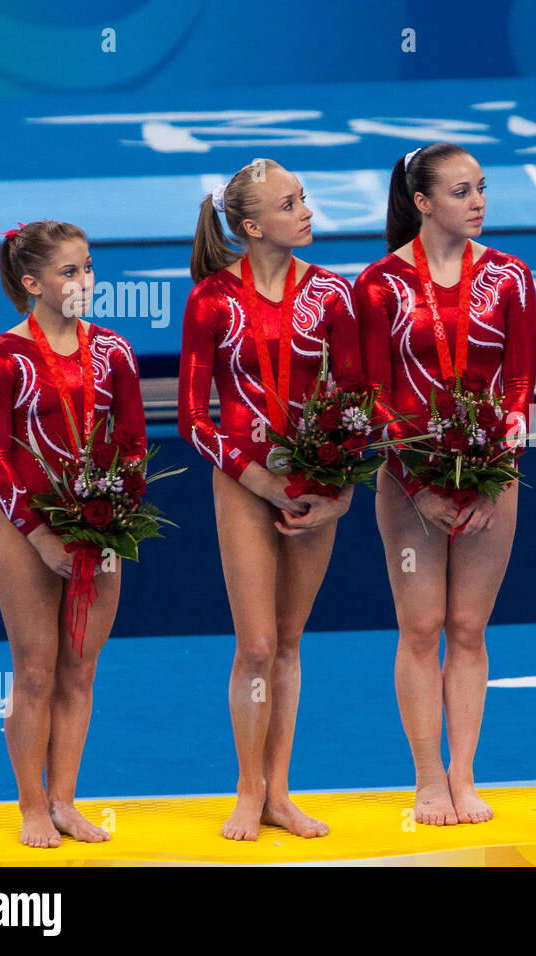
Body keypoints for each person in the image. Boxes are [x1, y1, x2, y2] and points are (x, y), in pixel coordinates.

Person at [355, 143, 536, 826]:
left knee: (468, 627)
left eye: (482, 188)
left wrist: (496, 476)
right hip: (411, 482)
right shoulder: (377, 286)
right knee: (422, 624)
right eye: (461, 192)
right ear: (423, 203)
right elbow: (372, 391)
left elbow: (521, 384)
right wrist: (418, 482)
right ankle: (428, 778)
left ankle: (464, 775)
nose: (479, 202)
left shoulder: (511, 277)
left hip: (494, 475)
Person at [179, 158, 361, 840]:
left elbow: (355, 401)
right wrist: (255, 480)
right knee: (254, 643)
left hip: (314, 477)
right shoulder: (212, 301)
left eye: (305, 198)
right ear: (252, 226)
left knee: (287, 640)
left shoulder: (334, 295)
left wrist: (340, 491)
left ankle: (281, 791)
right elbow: (193, 417)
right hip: (245, 478)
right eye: (290, 204)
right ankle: (247, 787)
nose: (307, 211)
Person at [0, 220, 146, 847]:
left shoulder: (114, 353)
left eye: (89, 267)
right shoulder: (4, 359)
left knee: (79, 671)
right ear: (32, 283)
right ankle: (31, 806)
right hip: (27, 528)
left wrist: (116, 514)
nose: (85, 281)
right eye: (69, 272)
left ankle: (66, 800)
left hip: (97, 528)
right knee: (36, 673)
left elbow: (132, 447)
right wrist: (40, 534)